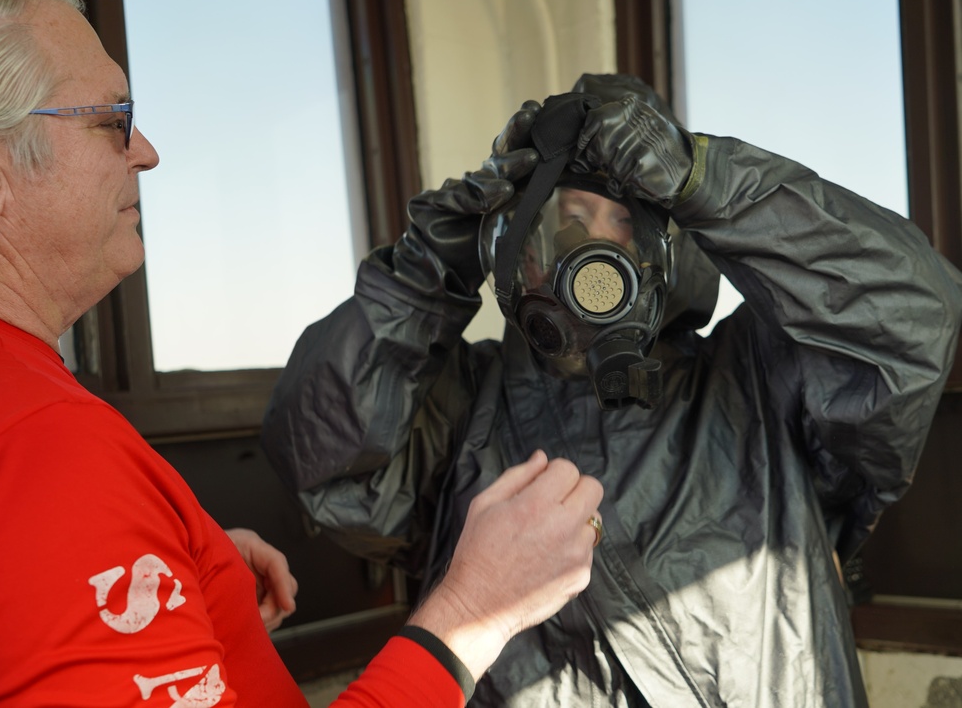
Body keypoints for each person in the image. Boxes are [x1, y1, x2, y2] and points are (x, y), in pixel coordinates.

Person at [0, 0, 605, 706]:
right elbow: (324, 442)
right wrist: (471, 615)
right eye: (114, 119)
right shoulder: (38, 453)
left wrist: (183, 573)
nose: (146, 152)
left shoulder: (2, 410)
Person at [262, 72, 962, 706]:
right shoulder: (462, 403)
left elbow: (911, 313)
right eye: (567, 219)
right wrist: (423, 272)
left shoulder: (760, 373)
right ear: (522, 246)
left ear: (672, 245)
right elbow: (326, 459)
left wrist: (704, 180)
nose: (593, 246)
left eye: (625, 220)